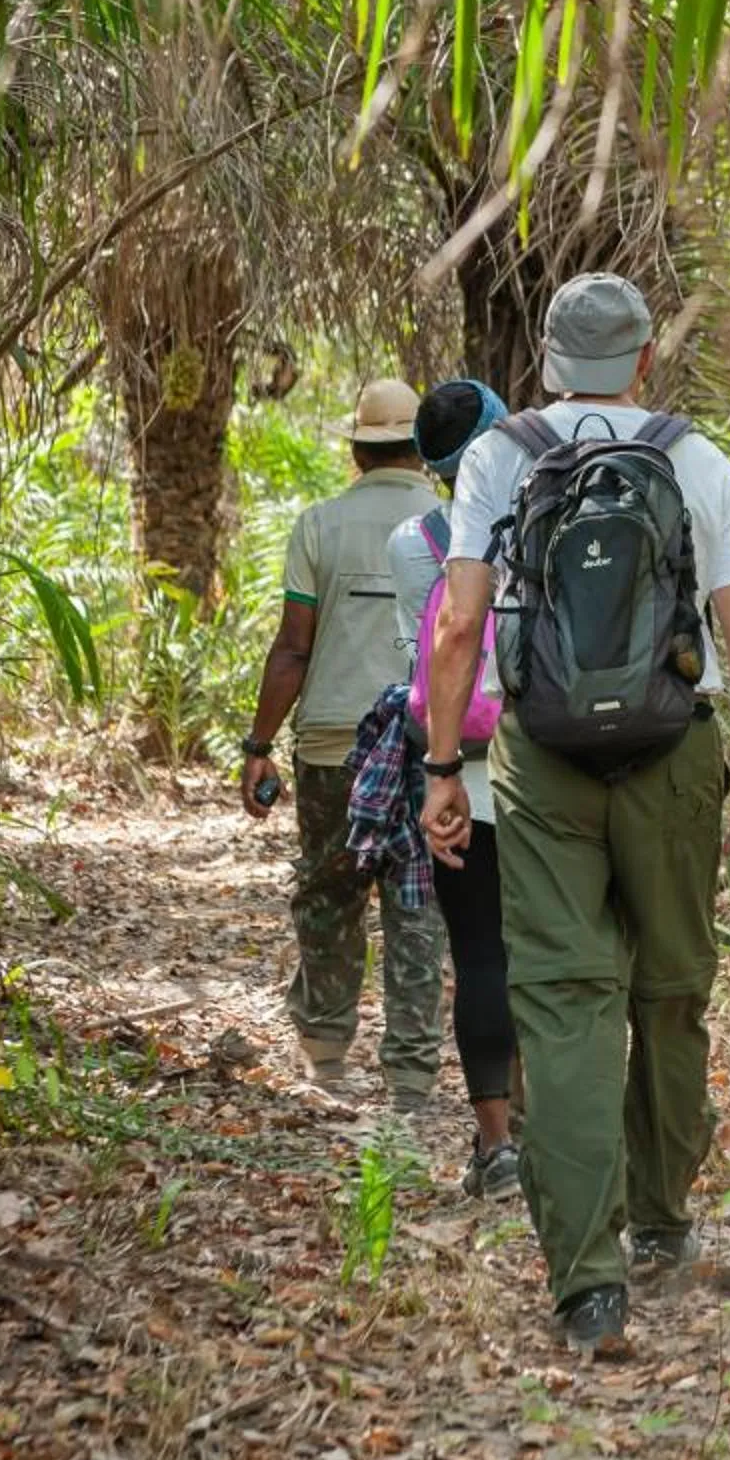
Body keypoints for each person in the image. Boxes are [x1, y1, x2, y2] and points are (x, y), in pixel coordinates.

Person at [420, 276, 730, 1355]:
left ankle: (587, 1284)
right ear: (642, 361)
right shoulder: (696, 459)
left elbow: (456, 629)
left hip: (544, 757)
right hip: (676, 752)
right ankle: (665, 1227)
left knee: (566, 1002)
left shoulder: (500, 457)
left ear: (545, 358)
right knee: (670, 990)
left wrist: (445, 767)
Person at [240, 379, 450, 1113]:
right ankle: (414, 1079)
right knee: (416, 908)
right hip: (429, 746)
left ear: (357, 449)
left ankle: (327, 1054)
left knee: (330, 893)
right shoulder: (450, 526)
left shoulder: (319, 526)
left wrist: (258, 744)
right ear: (422, 452)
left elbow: (292, 649)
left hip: (334, 747)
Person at [388, 379, 522, 1199]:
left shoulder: (416, 541)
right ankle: (557, 1119)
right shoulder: (547, 512)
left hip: (457, 774)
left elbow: (424, 649)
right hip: (543, 772)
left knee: (478, 956)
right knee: (548, 949)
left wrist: (437, 768)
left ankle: (496, 1145)